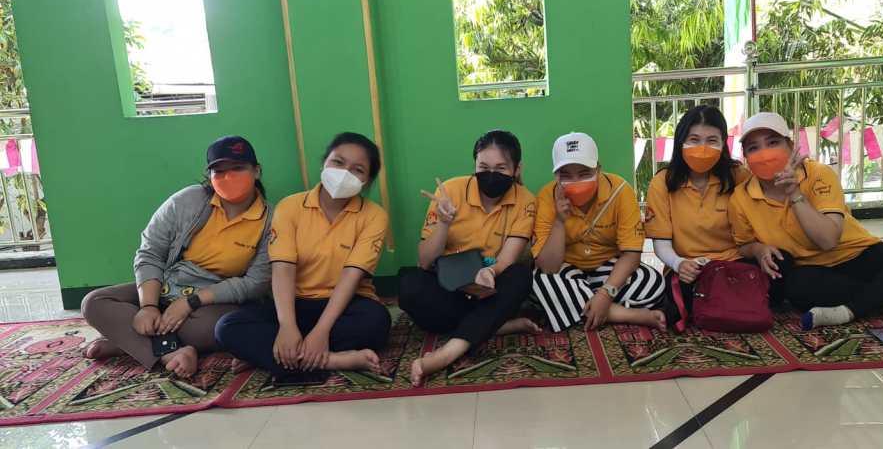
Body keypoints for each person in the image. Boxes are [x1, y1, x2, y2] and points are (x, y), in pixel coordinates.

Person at [728, 112, 883, 330]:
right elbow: (744, 245)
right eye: (753, 148)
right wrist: (758, 249)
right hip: (813, 271)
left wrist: (794, 194)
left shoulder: (818, 173)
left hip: (860, 255)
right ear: (745, 157)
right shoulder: (741, 197)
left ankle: (849, 310)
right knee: (797, 289)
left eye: (773, 142)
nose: (765, 153)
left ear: (790, 145)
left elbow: (828, 240)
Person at [81, 135, 272, 377]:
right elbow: (150, 252)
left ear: (257, 171)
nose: (228, 177)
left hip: (211, 303)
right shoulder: (187, 201)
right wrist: (149, 306)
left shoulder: (270, 221)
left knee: (219, 328)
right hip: (166, 286)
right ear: (209, 176)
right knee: (94, 303)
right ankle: (169, 352)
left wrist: (190, 302)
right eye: (219, 171)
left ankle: (129, 342)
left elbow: (254, 283)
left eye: (238, 168)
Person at [215, 132, 391, 377]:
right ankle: (332, 360)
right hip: (295, 304)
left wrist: (321, 331)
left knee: (376, 322)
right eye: (338, 162)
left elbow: (351, 277)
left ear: (366, 181)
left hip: (346, 304)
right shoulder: (290, 207)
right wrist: (287, 326)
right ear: (324, 163)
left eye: (357, 169)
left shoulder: (374, 215)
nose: (344, 173)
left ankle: (271, 356)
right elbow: (283, 269)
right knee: (227, 327)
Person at [400, 130, 540, 386]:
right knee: (410, 286)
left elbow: (507, 259)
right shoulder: (449, 191)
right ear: (474, 165)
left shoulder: (526, 201)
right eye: (483, 167)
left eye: (501, 168)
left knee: (520, 276)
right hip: (450, 285)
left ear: (517, 169)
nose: (491, 175)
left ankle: (448, 352)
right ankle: (496, 325)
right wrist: (444, 223)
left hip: (489, 286)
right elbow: (425, 261)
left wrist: (490, 272)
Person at [532, 132, 666, 333]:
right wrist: (559, 221)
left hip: (609, 269)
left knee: (653, 282)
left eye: (584, 173)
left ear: (598, 169)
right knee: (540, 281)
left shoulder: (620, 191)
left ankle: (577, 306)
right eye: (566, 175)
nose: (576, 181)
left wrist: (605, 293)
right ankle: (623, 314)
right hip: (567, 270)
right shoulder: (546, 196)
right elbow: (549, 267)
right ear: (556, 176)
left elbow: (631, 255)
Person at [645, 106, 766, 313]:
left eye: (712, 141)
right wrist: (678, 263)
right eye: (694, 140)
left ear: (723, 143)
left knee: (777, 268)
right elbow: (661, 242)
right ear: (680, 142)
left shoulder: (738, 176)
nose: (702, 148)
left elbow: (759, 224)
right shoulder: (662, 182)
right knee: (674, 299)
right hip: (687, 267)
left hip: (734, 264)